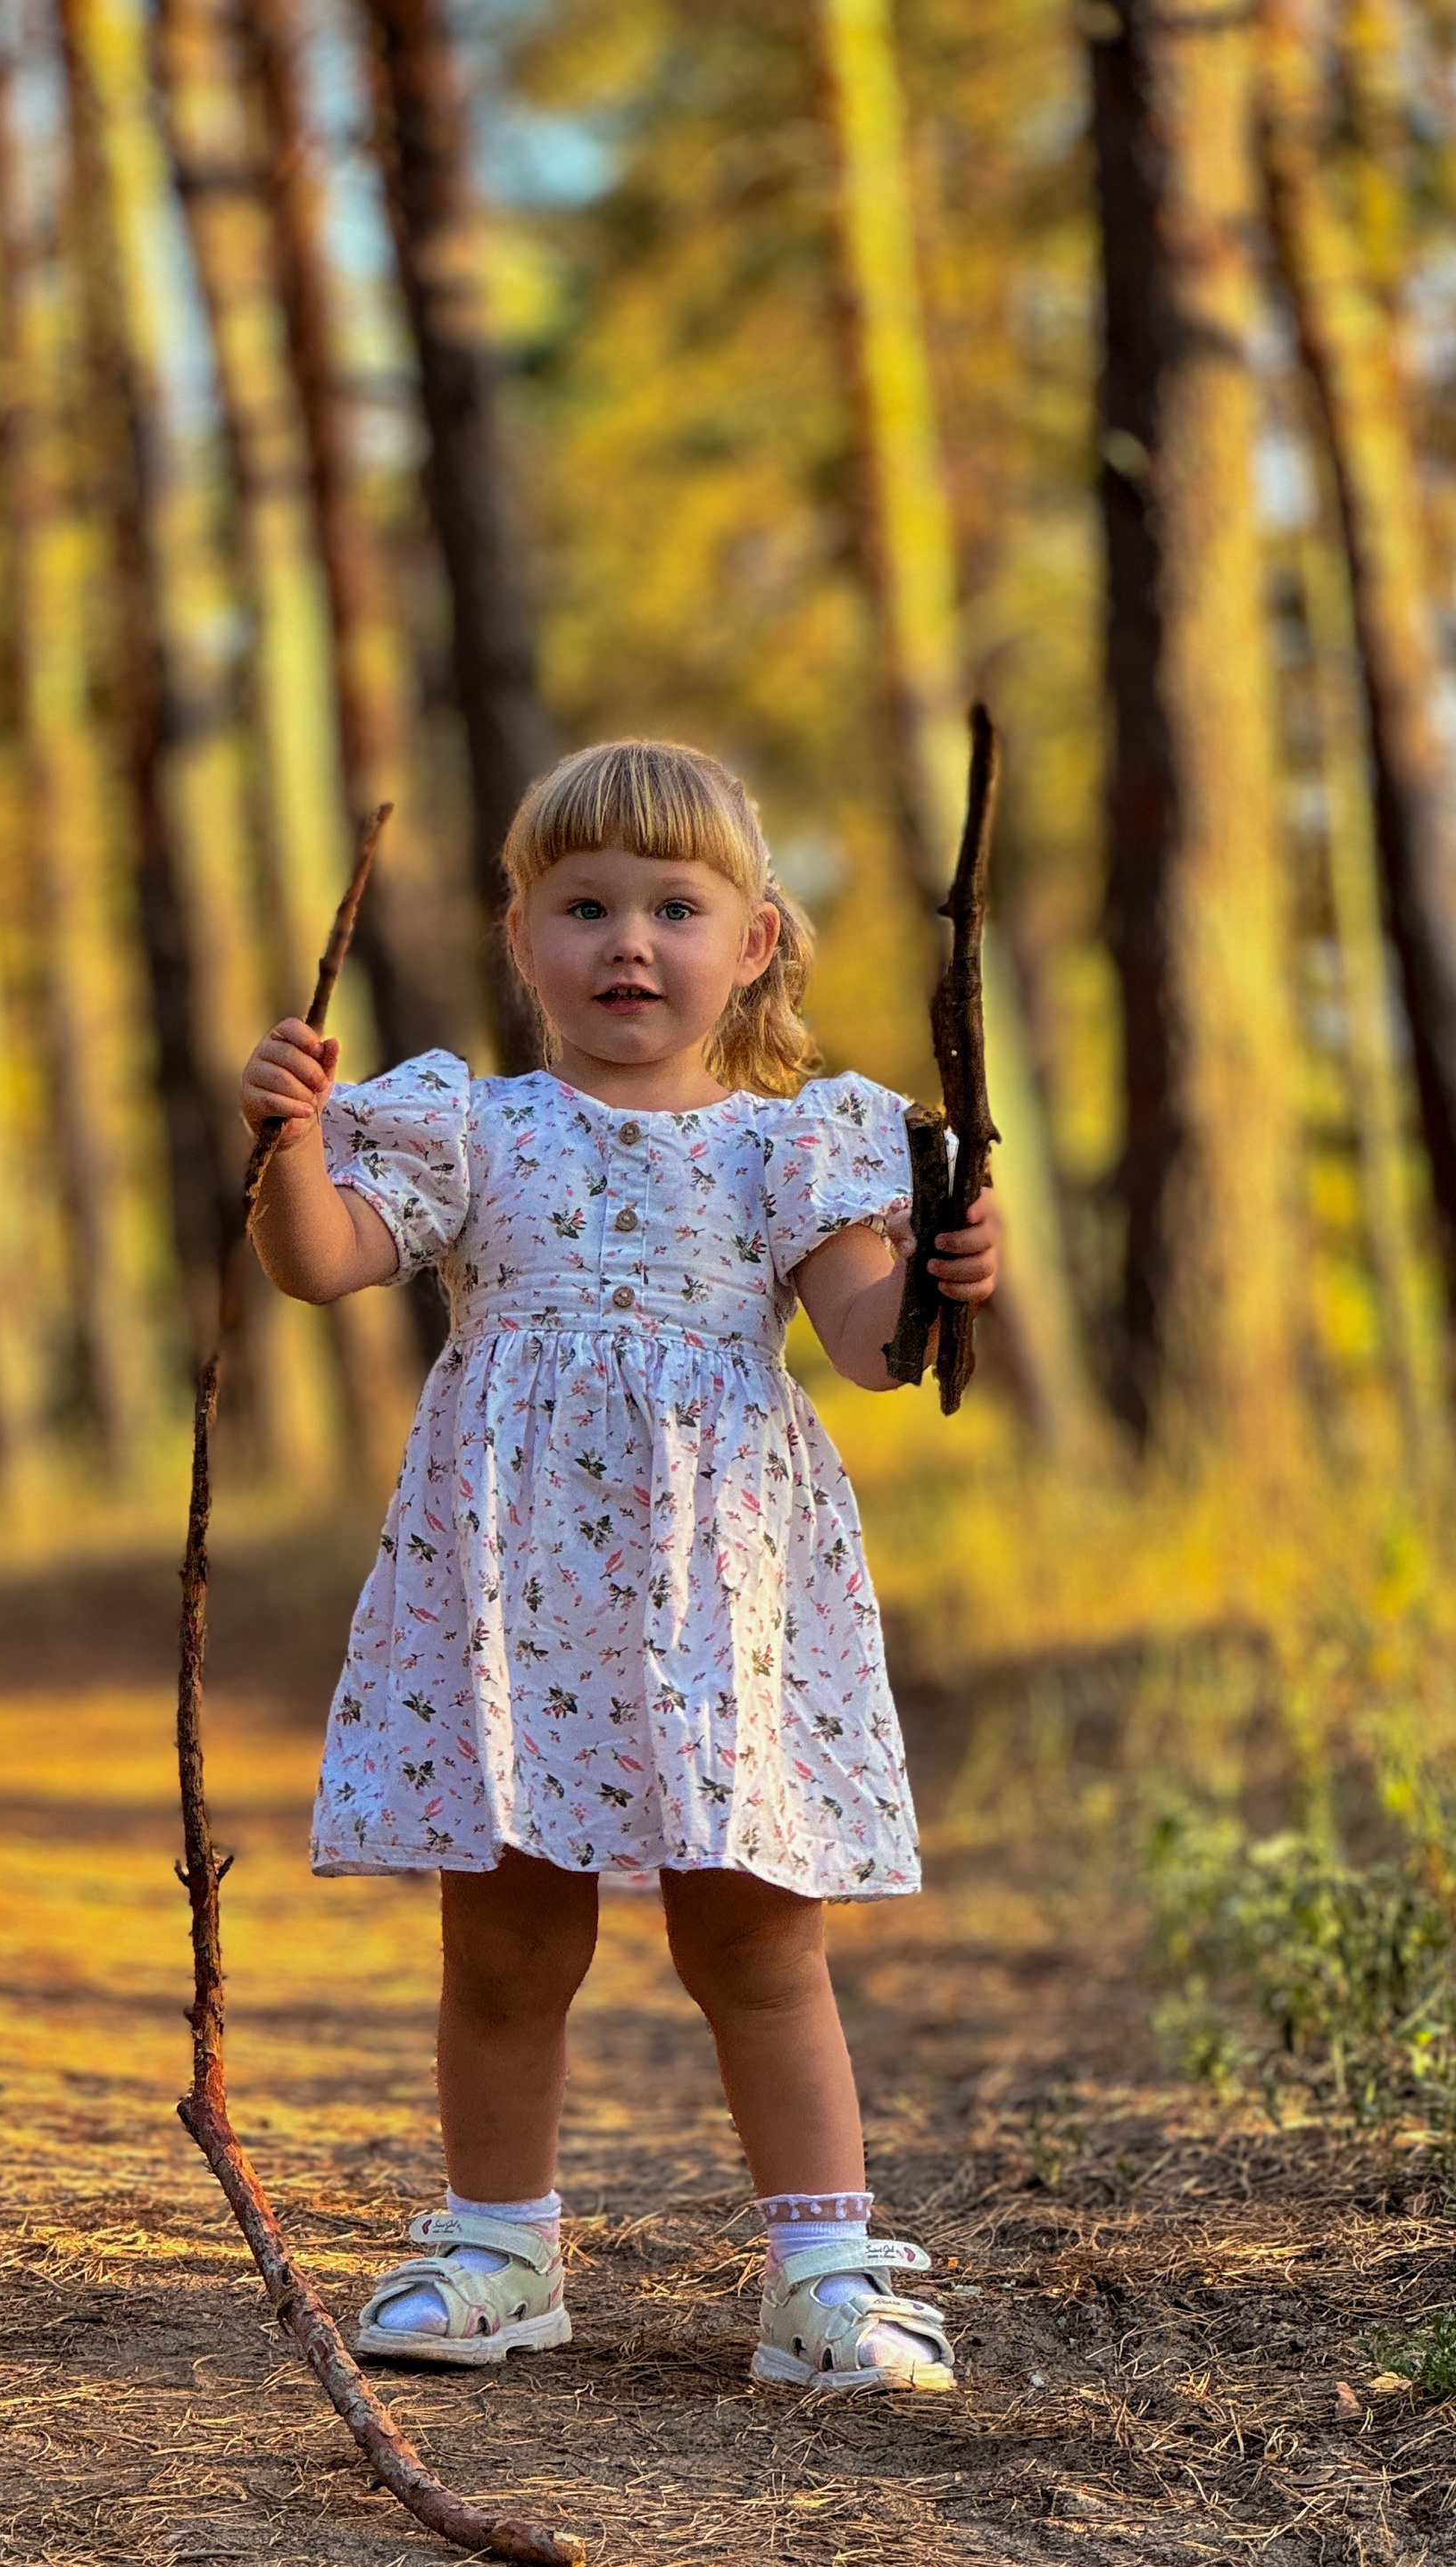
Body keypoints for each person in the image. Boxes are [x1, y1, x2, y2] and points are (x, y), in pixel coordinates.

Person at [240, 738, 998, 2396]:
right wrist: (292, 1142)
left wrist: (946, 1275)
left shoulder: (794, 1148)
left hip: (717, 1606)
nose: (629, 943)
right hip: (516, 1604)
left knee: (755, 1938)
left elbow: (871, 1346)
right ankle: (499, 2249)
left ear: (758, 941)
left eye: (675, 905)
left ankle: (823, 2272)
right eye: (584, 907)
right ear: (524, 941)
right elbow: (323, 1264)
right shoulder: (474, 1127)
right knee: (507, 1943)